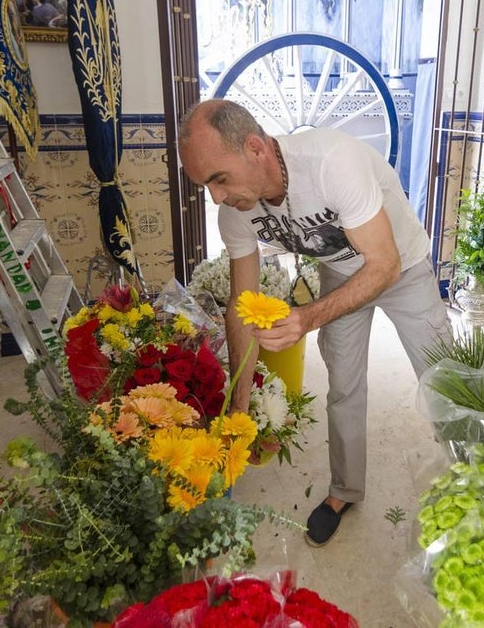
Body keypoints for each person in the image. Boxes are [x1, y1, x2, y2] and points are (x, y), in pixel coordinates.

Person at [178, 99, 451, 546]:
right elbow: (240, 304)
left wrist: (306, 317)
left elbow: (384, 266)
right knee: (343, 386)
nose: (216, 198)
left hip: (402, 265)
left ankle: (479, 481)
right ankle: (344, 490)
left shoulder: (330, 163)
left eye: (219, 179)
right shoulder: (235, 213)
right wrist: (239, 406)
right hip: (342, 274)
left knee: (444, 380)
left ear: (255, 148)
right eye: (205, 186)